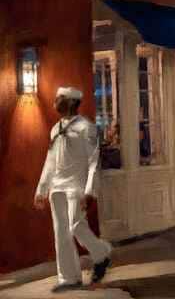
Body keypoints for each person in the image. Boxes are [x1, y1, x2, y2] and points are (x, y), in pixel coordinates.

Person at [33, 87, 112, 293]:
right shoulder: (55, 129)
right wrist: (41, 189)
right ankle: (69, 278)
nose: (55, 101)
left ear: (71, 101)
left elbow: (94, 162)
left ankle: (102, 253)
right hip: (57, 187)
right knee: (61, 233)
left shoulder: (87, 128)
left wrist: (89, 191)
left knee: (76, 225)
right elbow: (50, 161)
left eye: (59, 98)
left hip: (76, 185)